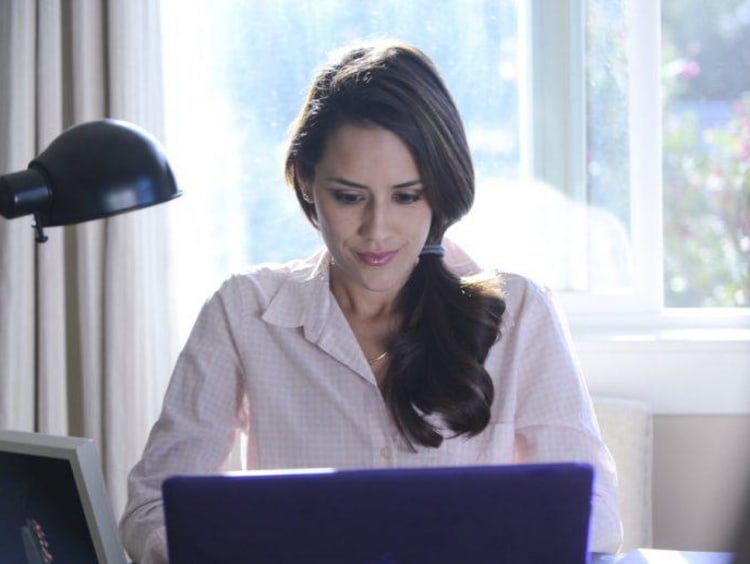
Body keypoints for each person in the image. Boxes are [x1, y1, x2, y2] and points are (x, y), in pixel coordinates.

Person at [119, 39, 623, 562]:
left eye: (406, 196)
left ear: (441, 191)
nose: (376, 230)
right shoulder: (243, 312)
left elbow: (598, 514)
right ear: (307, 183)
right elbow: (150, 508)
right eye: (350, 197)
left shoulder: (518, 313)